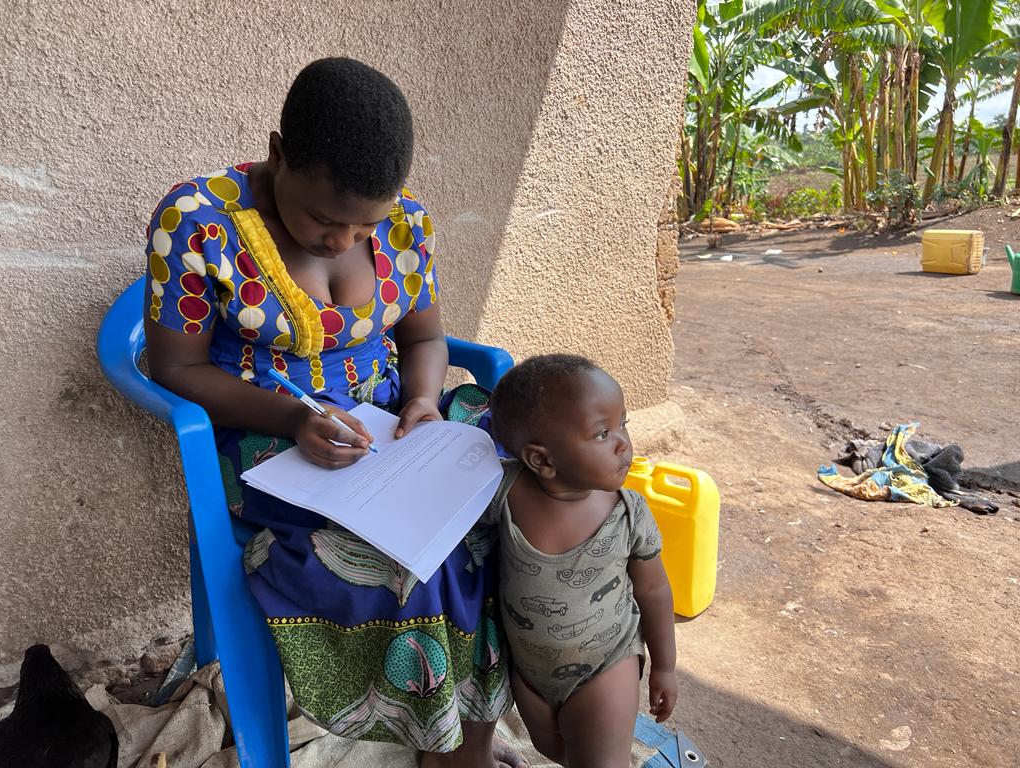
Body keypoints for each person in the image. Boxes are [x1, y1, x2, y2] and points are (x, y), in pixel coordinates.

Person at [143, 57, 521, 768]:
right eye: (323, 217)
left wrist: (418, 400)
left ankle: (473, 720)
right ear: (278, 154)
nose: (343, 241)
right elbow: (175, 368)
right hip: (267, 443)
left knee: (519, 503)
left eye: (363, 225)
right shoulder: (198, 222)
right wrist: (292, 420)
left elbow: (424, 336)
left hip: (393, 425)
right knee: (406, 559)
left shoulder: (405, 223)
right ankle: (440, 740)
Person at [485, 354, 678, 767]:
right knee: (555, 750)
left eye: (623, 424)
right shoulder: (504, 494)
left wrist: (665, 666)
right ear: (541, 460)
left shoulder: (628, 513)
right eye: (602, 433)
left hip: (606, 665)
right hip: (530, 674)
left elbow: (654, 589)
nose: (623, 443)